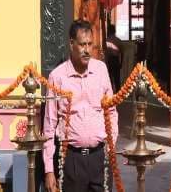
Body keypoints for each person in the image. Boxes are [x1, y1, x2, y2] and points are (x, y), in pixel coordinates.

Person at [43, 21, 118, 192]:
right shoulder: (57, 77)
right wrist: (49, 170)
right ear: (71, 44)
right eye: (82, 44)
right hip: (71, 159)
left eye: (90, 44)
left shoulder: (101, 70)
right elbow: (49, 125)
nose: (87, 50)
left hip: (101, 157)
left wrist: (111, 144)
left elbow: (111, 111)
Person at [104, 24, 123, 92]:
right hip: (116, 60)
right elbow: (121, 52)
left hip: (110, 60)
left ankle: (110, 92)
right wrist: (121, 62)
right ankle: (118, 93)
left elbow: (106, 53)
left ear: (108, 31)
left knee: (109, 78)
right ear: (114, 31)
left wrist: (106, 62)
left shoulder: (106, 40)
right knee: (117, 78)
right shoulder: (118, 40)